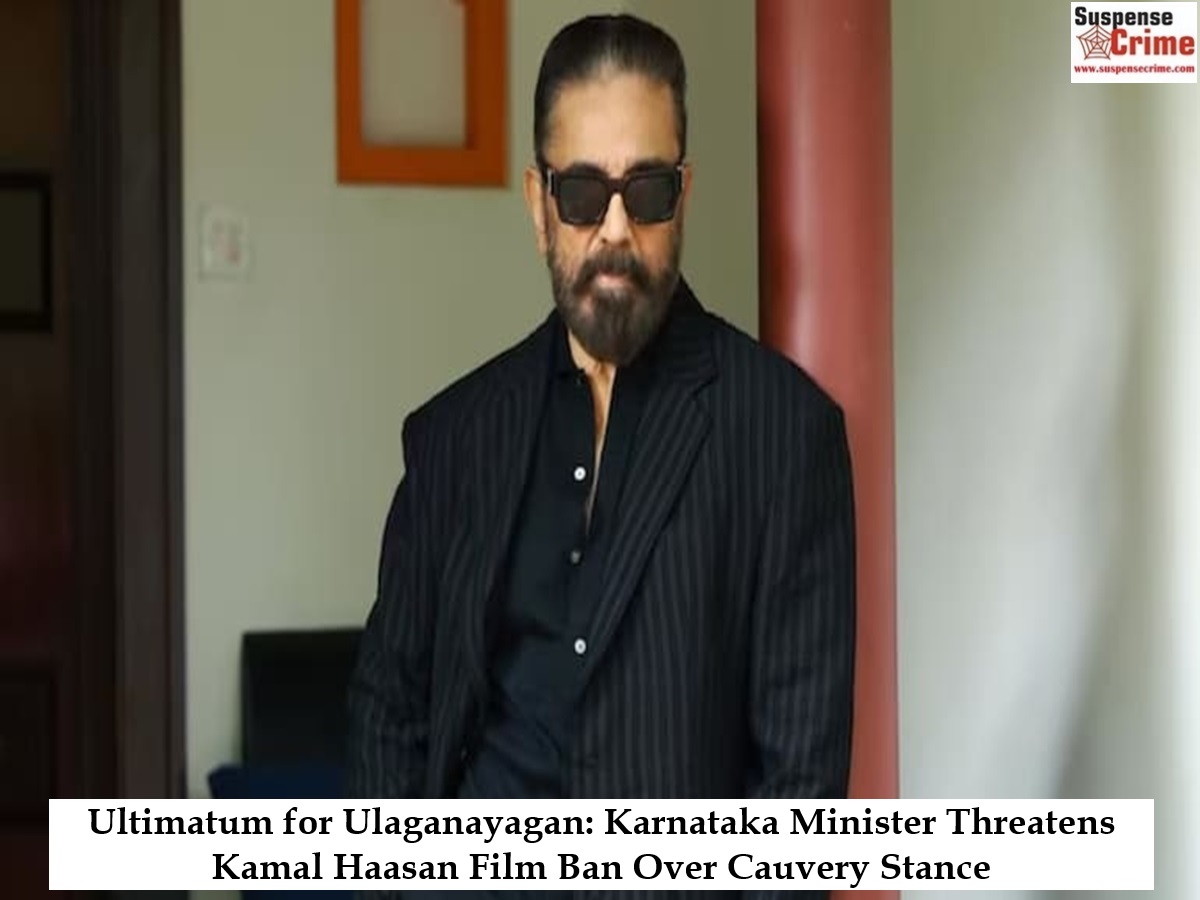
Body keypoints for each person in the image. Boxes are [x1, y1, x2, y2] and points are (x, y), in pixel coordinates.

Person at [347, 12, 855, 815]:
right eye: (583, 194)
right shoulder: (452, 439)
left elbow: (801, 792)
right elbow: (390, 716)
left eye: (647, 192)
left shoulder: (786, 434)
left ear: (682, 197)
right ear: (539, 204)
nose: (616, 229)